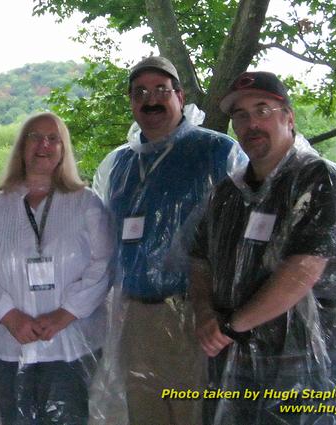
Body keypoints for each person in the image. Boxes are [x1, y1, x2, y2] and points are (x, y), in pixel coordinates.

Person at [190, 71, 336, 424]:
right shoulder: (226, 194)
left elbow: (304, 269)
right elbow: (199, 261)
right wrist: (208, 316)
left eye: (263, 109)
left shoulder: (320, 180)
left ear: (289, 116)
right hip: (230, 356)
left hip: (297, 360)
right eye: (240, 115)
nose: (251, 123)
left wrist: (231, 325)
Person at [93, 56, 235, 425]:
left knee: (194, 414)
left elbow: (238, 235)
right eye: (140, 93)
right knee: (144, 414)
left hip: (194, 314)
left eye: (161, 90)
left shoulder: (216, 151)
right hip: (133, 315)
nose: (151, 100)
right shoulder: (119, 164)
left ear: (180, 95)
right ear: (131, 102)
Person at [0, 112, 112, 424]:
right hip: (9, 345)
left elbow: (104, 265)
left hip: (71, 346)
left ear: (63, 149)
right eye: (34, 137)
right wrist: (9, 315)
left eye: (53, 138)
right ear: (21, 147)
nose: (43, 144)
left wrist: (65, 313)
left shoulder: (87, 204)